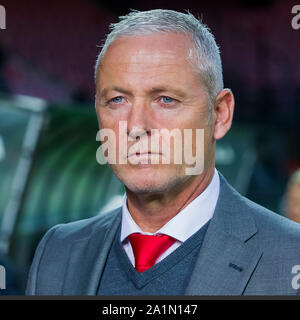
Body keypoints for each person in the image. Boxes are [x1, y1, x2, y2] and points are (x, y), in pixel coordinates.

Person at [26, 9, 300, 295]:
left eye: (166, 100)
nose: (136, 126)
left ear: (220, 114)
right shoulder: (57, 252)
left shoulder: (290, 257)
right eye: (117, 99)